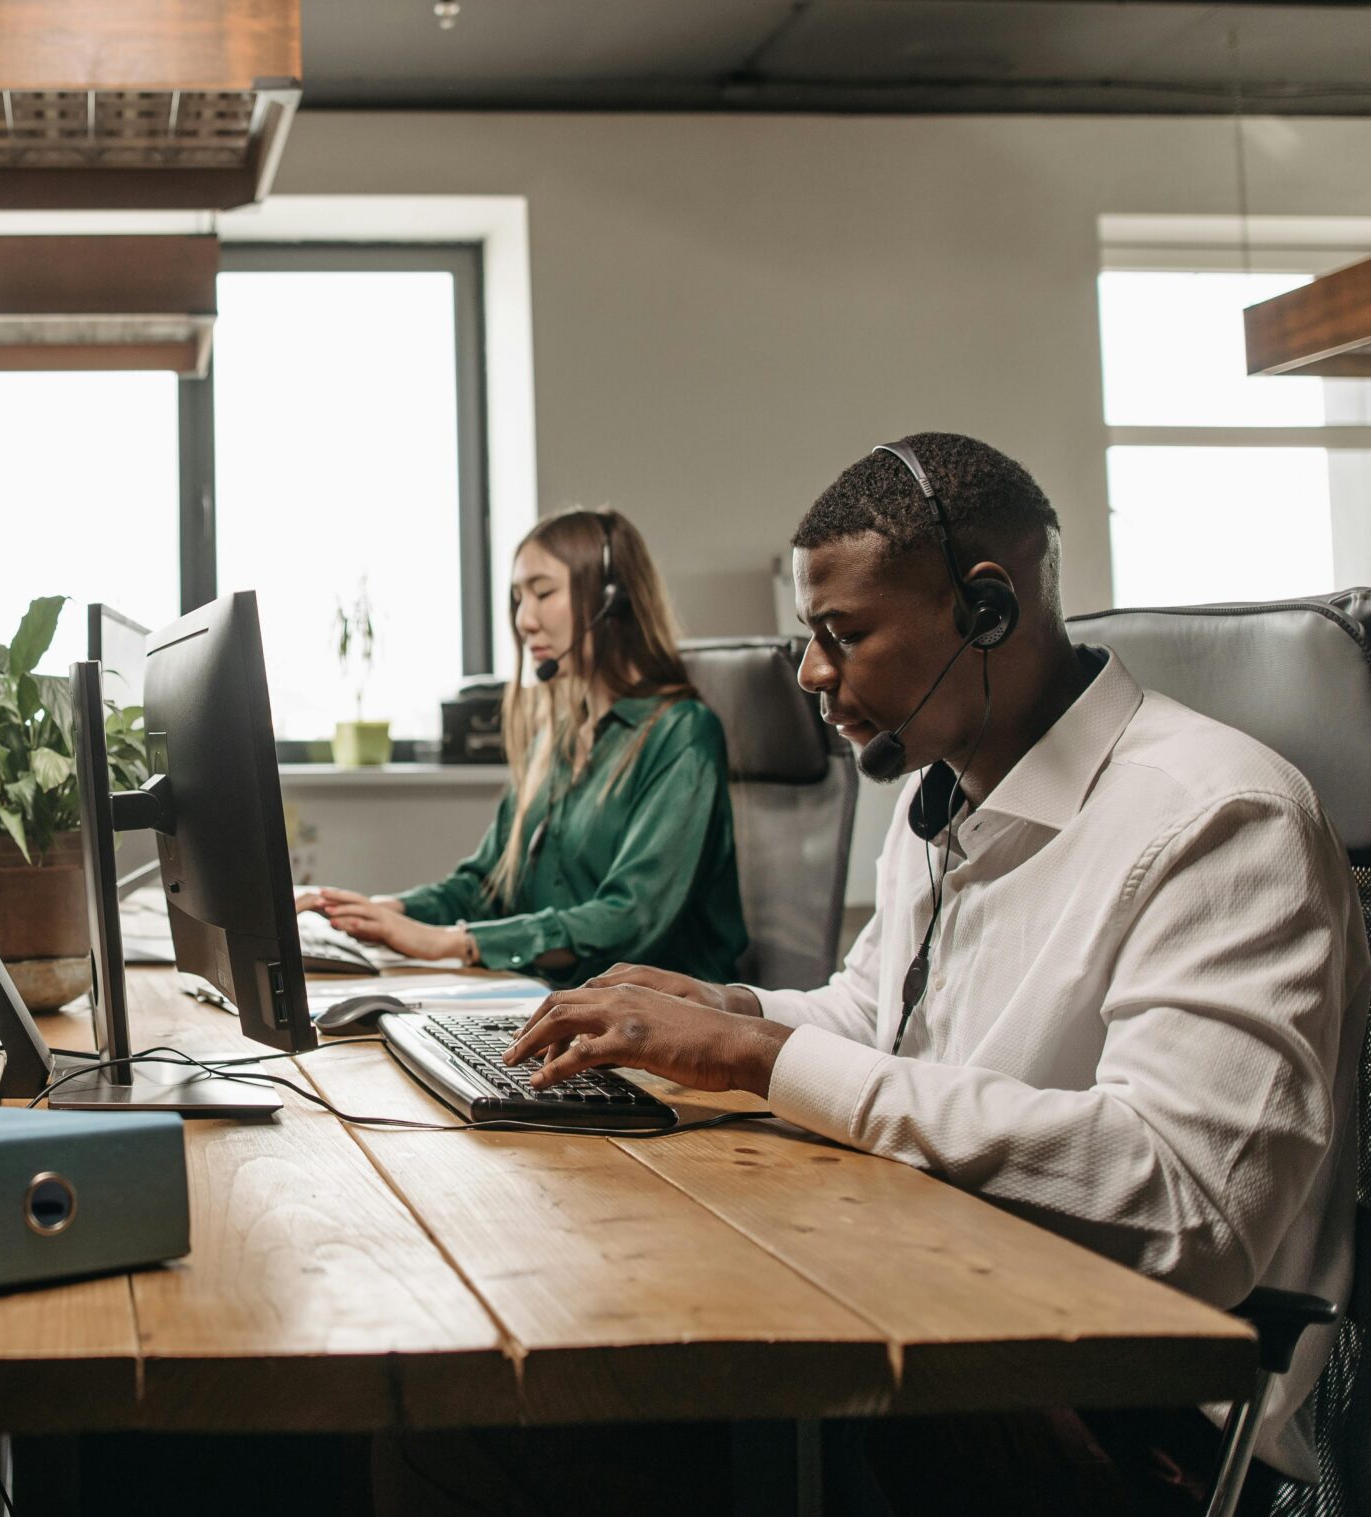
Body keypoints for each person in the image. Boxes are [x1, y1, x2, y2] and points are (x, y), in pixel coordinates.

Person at [504, 434, 1366, 1509]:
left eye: (842, 634)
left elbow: (1189, 1209)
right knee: (590, 1319)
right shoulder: (940, 792)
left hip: (1137, 1414)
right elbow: (875, 1016)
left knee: (580, 1428)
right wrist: (722, 1010)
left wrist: (763, 1054)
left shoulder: (1221, 819)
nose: (813, 673)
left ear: (985, 608)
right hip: (964, 1297)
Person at [297, 507, 747, 987]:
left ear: (611, 601)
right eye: (517, 598)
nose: (523, 620)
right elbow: (486, 886)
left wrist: (454, 942)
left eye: (543, 592)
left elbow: (630, 917)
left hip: (659, 1022)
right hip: (546, 997)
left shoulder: (681, 732)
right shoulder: (555, 738)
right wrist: (384, 913)